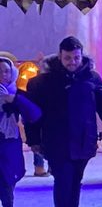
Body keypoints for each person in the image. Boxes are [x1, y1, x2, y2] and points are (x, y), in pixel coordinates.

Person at [23, 37, 102, 207]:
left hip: (84, 140)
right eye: (67, 58)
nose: (72, 62)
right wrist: (34, 139)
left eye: (76, 58)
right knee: (63, 180)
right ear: (60, 57)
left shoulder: (92, 78)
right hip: (57, 141)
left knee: (75, 180)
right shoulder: (44, 82)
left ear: (82, 56)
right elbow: (33, 114)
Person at [0, 52, 41, 207]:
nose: (2, 75)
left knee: (7, 185)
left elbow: (34, 114)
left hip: (9, 146)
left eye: (6, 71)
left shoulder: (16, 93)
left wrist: (14, 100)